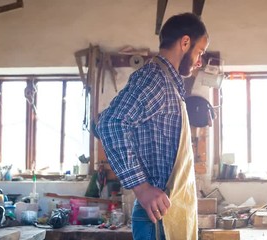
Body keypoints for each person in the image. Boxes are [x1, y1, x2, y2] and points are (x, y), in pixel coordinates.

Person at [96, 12, 209, 240]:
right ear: (185, 42)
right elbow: (111, 123)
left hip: (169, 214)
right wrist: (142, 188)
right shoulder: (155, 79)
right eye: (200, 52)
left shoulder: (170, 85)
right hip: (157, 219)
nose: (199, 61)